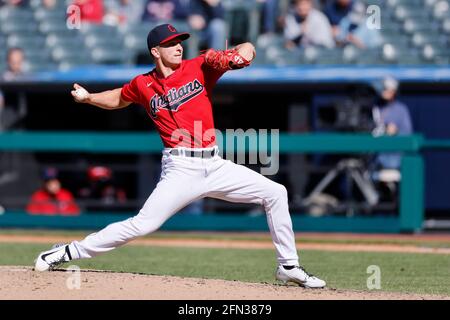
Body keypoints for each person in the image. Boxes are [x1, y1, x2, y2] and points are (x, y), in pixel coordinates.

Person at [34, 23, 326, 288]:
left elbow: (246, 47)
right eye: (171, 42)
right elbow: (117, 98)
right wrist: (89, 98)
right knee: (142, 225)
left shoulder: (201, 65)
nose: (178, 46)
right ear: (155, 51)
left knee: (275, 192)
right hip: (180, 167)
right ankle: (66, 251)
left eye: (180, 41)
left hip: (214, 163)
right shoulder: (143, 84)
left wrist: (241, 56)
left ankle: (288, 266)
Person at [372, 76, 413, 170]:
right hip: (374, 158)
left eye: (388, 89)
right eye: (384, 89)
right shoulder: (374, 108)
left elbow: (407, 134)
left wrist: (396, 131)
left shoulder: (401, 109)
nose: (386, 92)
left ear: (394, 91)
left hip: (394, 157)